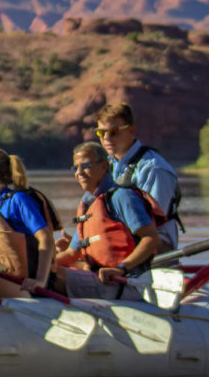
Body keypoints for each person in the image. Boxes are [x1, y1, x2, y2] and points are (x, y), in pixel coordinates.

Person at [55, 141, 161, 299]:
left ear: (104, 166)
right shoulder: (88, 204)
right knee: (45, 272)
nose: (79, 173)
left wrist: (121, 268)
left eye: (85, 166)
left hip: (127, 283)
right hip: (99, 278)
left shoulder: (122, 197)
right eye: (75, 168)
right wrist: (40, 263)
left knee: (51, 278)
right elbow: (71, 254)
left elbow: (151, 238)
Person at [0, 147, 56, 298]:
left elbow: (45, 238)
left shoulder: (18, 200)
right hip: (3, 280)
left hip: (24, 286)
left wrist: (40, 280)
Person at [94, 102, 182, 251]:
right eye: (101, 133)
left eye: (113, 132)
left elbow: (152, 222)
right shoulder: (107, 165)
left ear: (131, 130)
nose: (107, 138)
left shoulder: (154, 168)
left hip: (156, 246)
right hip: (120, 240)